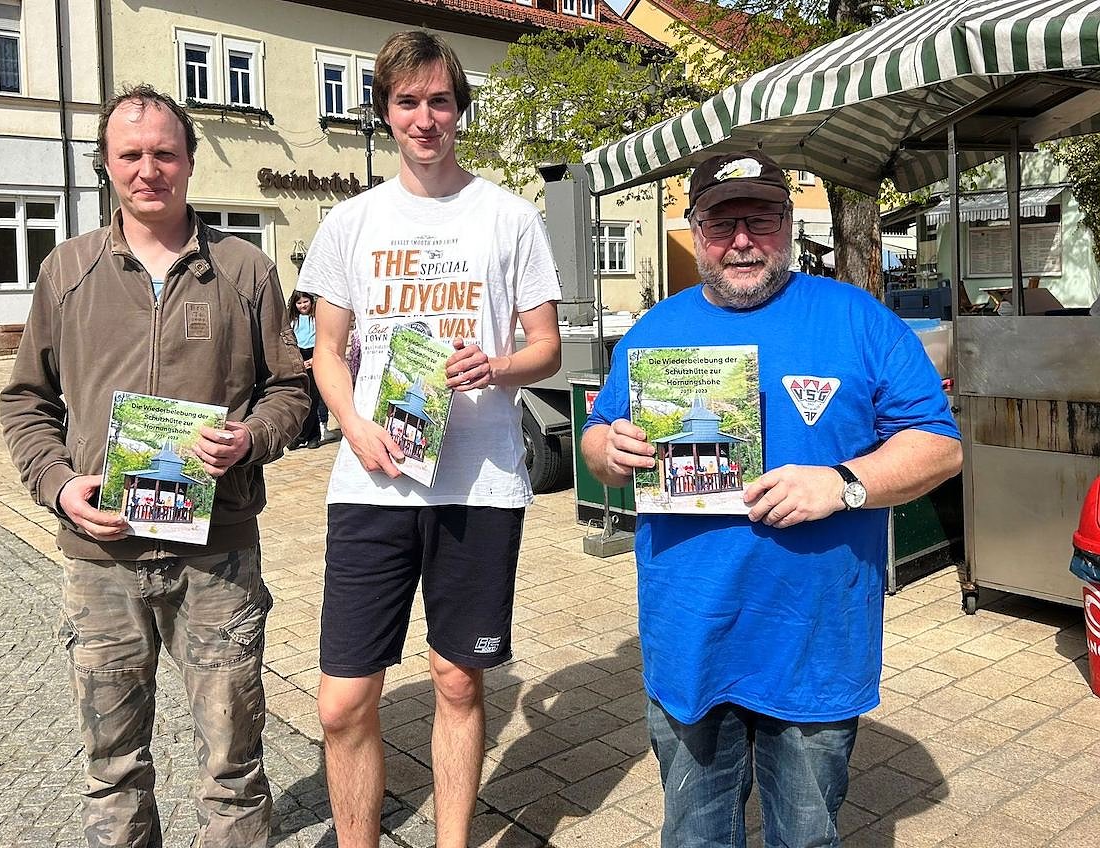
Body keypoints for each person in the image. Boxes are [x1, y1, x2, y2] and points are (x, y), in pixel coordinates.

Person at [581, 152, 961, 848]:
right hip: (691, 637)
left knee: (806, 837)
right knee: (695, 836)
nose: (742, 241)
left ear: (788, 223)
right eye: (721, 224)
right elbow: (598, 439)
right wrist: (606, 450)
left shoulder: (856, 319)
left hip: (814, 643)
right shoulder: (654, 331)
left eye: (760, 220)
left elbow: (939, 446)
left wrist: (842, 483)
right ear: (695, 230)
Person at [0, 84, 309, 848]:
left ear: (191, 161)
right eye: (130, 154)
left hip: (217, 558)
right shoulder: (67, 272)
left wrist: (249, 438)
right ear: (106, 165)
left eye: (165, 153)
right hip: (101, 562)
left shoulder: (245, 270)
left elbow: (291, 390)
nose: (149, 169)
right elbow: (26, 402)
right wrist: (60, 486)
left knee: (234, 766)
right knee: (112, 766)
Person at [297, 30, 562, 848]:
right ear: (385, 111)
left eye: (440, 101)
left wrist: (499, 366)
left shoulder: (510, 217)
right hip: (373, 480)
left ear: (459, 110)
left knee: (456, 680)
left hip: (478, 482)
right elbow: (326, 352)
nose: (425, 118)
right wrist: (353, 426)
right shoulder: (351, 221)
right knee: (342, 701)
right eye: (407, 102)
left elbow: (547, 348)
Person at [287, 288, 335, 449]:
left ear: (311, 301)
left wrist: (315, 359)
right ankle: (313, 436)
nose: (303, 305)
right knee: (302, 398)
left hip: (315, 355)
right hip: (299, 357)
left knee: (313, 398)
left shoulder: (317, 318)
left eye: (305, 301)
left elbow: (324, 339)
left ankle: (301, 436)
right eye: (299, 303)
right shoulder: (292, 320)